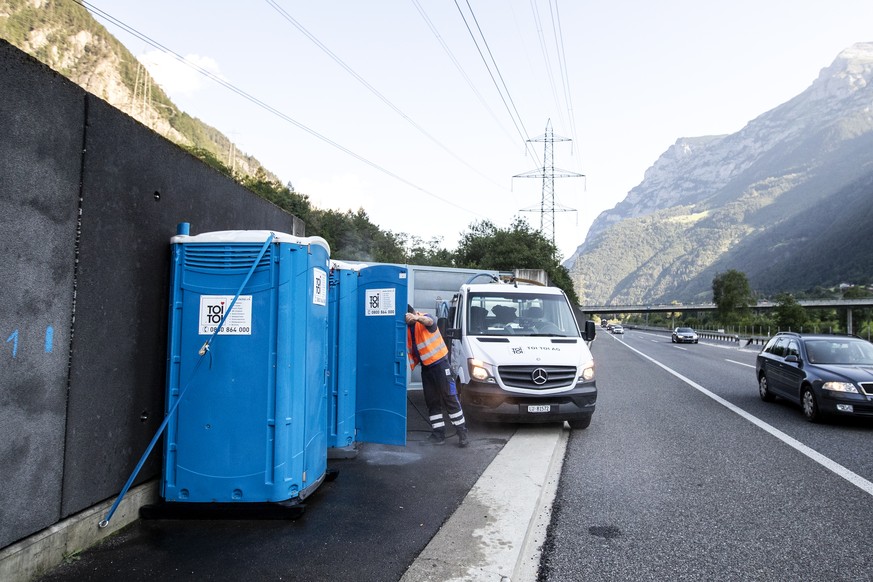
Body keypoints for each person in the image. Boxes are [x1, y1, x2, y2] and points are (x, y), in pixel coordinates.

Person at [406, 304, 469, 447]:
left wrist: (416, 318)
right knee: (432, 402)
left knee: (450, 398)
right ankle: (438, 434)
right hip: (427, 368)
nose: (407, 321)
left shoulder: (424, 318)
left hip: (440, 365)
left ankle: (462, 433)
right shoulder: (407, 328)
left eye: (408, 318)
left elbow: (430, 322)